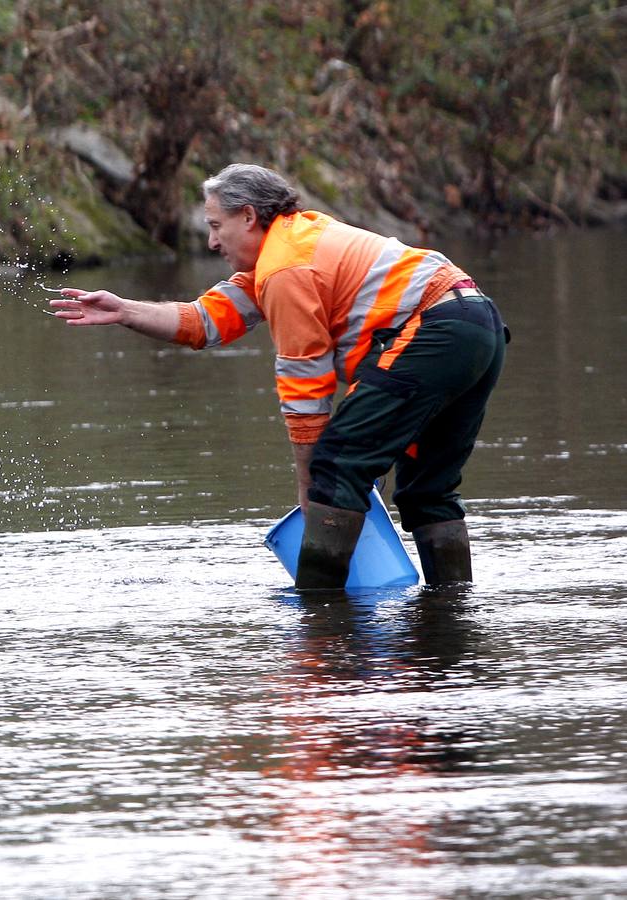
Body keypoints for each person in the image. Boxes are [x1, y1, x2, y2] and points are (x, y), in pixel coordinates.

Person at [49, 163, 508, 590]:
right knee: (427, 488)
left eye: (215, 226)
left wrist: (312, 488)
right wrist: (125, 310)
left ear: (248, 216)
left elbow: (305, 386)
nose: (211, 242)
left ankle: (320, 615)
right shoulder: (291, 248)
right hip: (477, 324)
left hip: (438, 332)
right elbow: (202, 321)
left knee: (335, 467)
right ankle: (452, 612)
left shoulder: (286, 268)